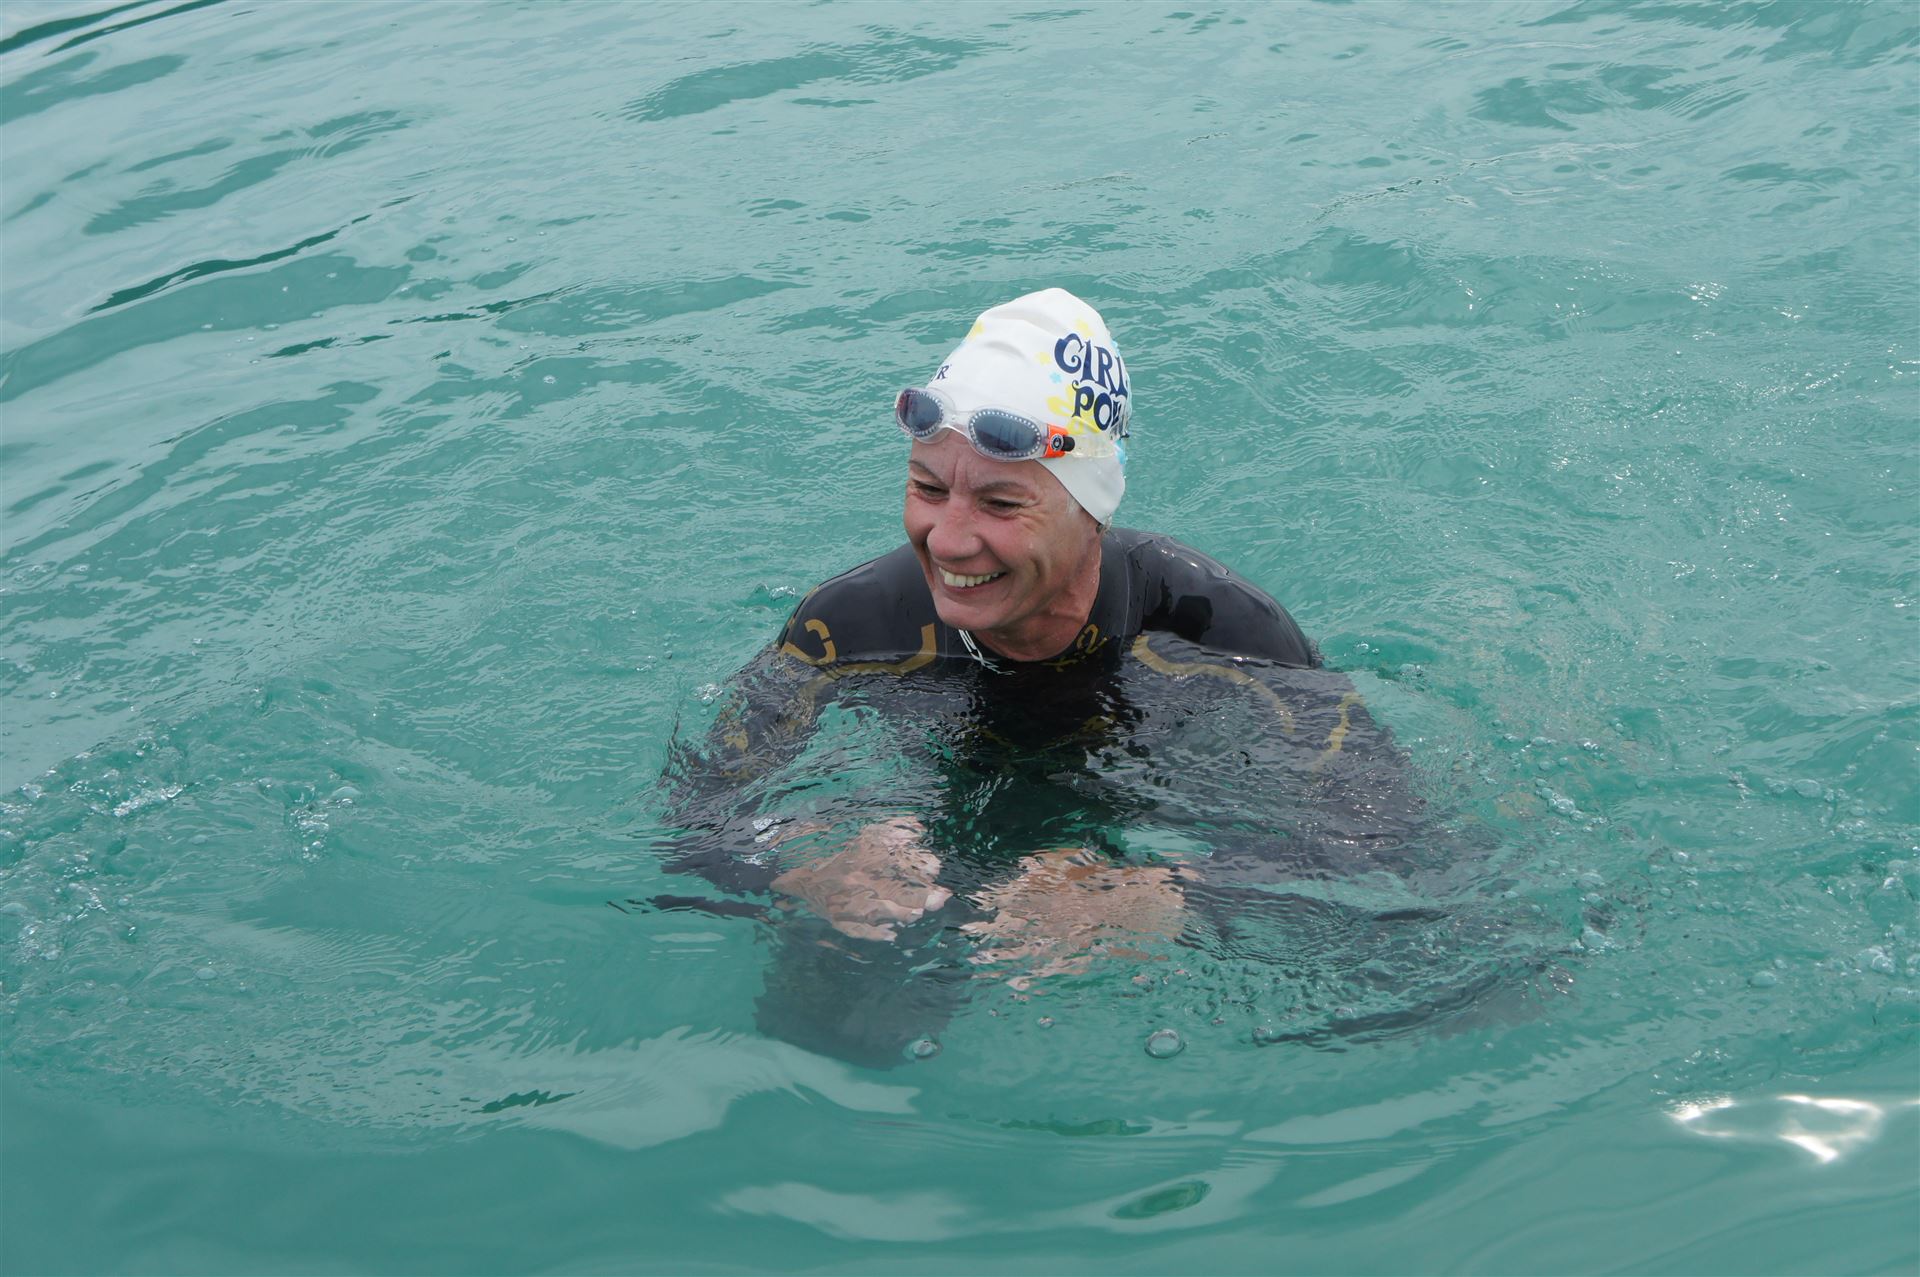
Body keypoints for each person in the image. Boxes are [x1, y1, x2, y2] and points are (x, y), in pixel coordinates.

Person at [652, 289, 1419, 1061]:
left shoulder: (1221, 632)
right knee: (832, 1007)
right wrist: (801, 868)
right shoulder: (847, 627)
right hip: (931, 825)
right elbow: (691, 825)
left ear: (1092, 511)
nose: (947, 541)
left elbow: (1394, 848)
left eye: (1000, 502)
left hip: (1146, 822)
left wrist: (1168, 894)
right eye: (928, 488)